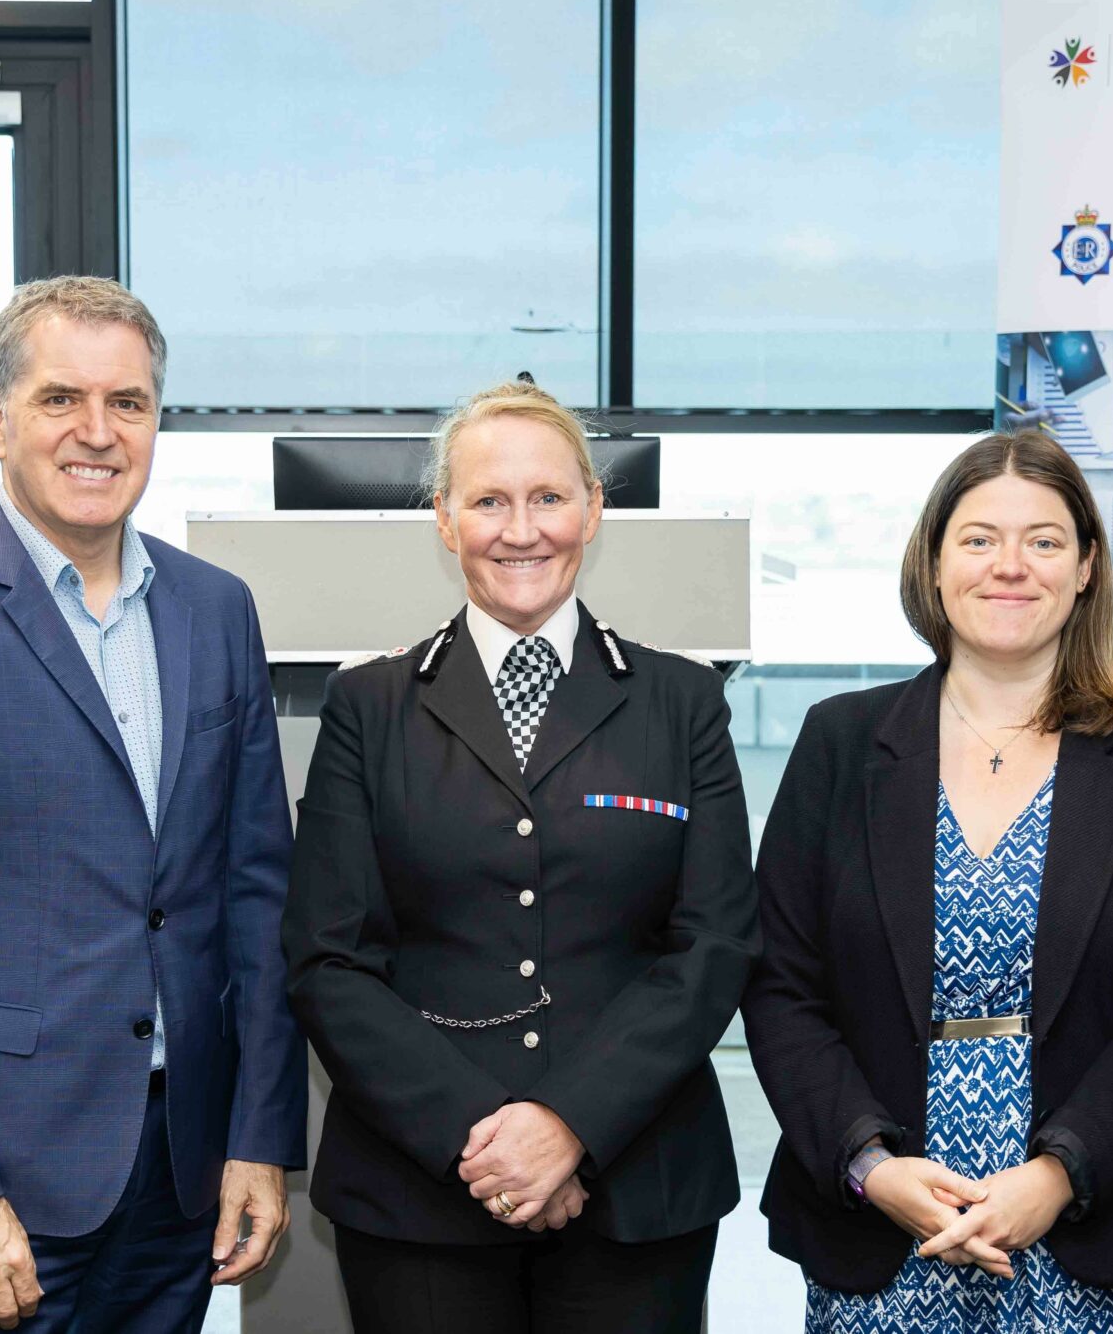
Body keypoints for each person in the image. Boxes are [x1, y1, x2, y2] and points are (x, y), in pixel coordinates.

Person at [0, 276, 303, 1334]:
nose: (97, 431)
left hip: (179, 1167)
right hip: (0, 1172)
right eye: (58, 399)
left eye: (127, 402)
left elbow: (257, 893)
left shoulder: (215, 609)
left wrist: (258, 1133)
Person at [282, 380, 757, 1334]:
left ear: (594, 509)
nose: (521, 529)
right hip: (422, 1196)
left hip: (636, 1190)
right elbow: (328, 957)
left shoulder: (681, 702)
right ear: (444, 522)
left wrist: (570, 1126)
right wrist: (490, 1144)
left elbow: (715, 945)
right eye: (488, 501)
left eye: (547, 498)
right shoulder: (370, 708)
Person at [743, 429, 1113, 1332]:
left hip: (1095, 1227)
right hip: (890, 1228)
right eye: (978, 539)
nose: (1010, 566)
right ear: (934, 563)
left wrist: (1059, 1175)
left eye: (1045, 541)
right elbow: (781, 986)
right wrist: (871, 1166)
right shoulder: (840, 743)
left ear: (1087, 567)